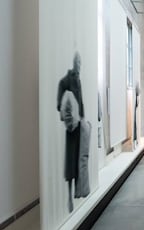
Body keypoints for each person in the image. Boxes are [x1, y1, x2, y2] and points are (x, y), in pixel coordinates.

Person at [57, 52, 84, 212]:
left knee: (79, 159)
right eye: (77, 62)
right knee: (70, 162)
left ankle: (76, 192)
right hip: (70, 129)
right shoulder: (65, 82)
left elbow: (81, 103)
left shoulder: (78, 81)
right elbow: (60, 106)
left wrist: (83, 118)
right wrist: (69, 119)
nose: (79, 65)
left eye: (80, 62)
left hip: (79, 125)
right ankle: (69, 197)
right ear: (73, 63)